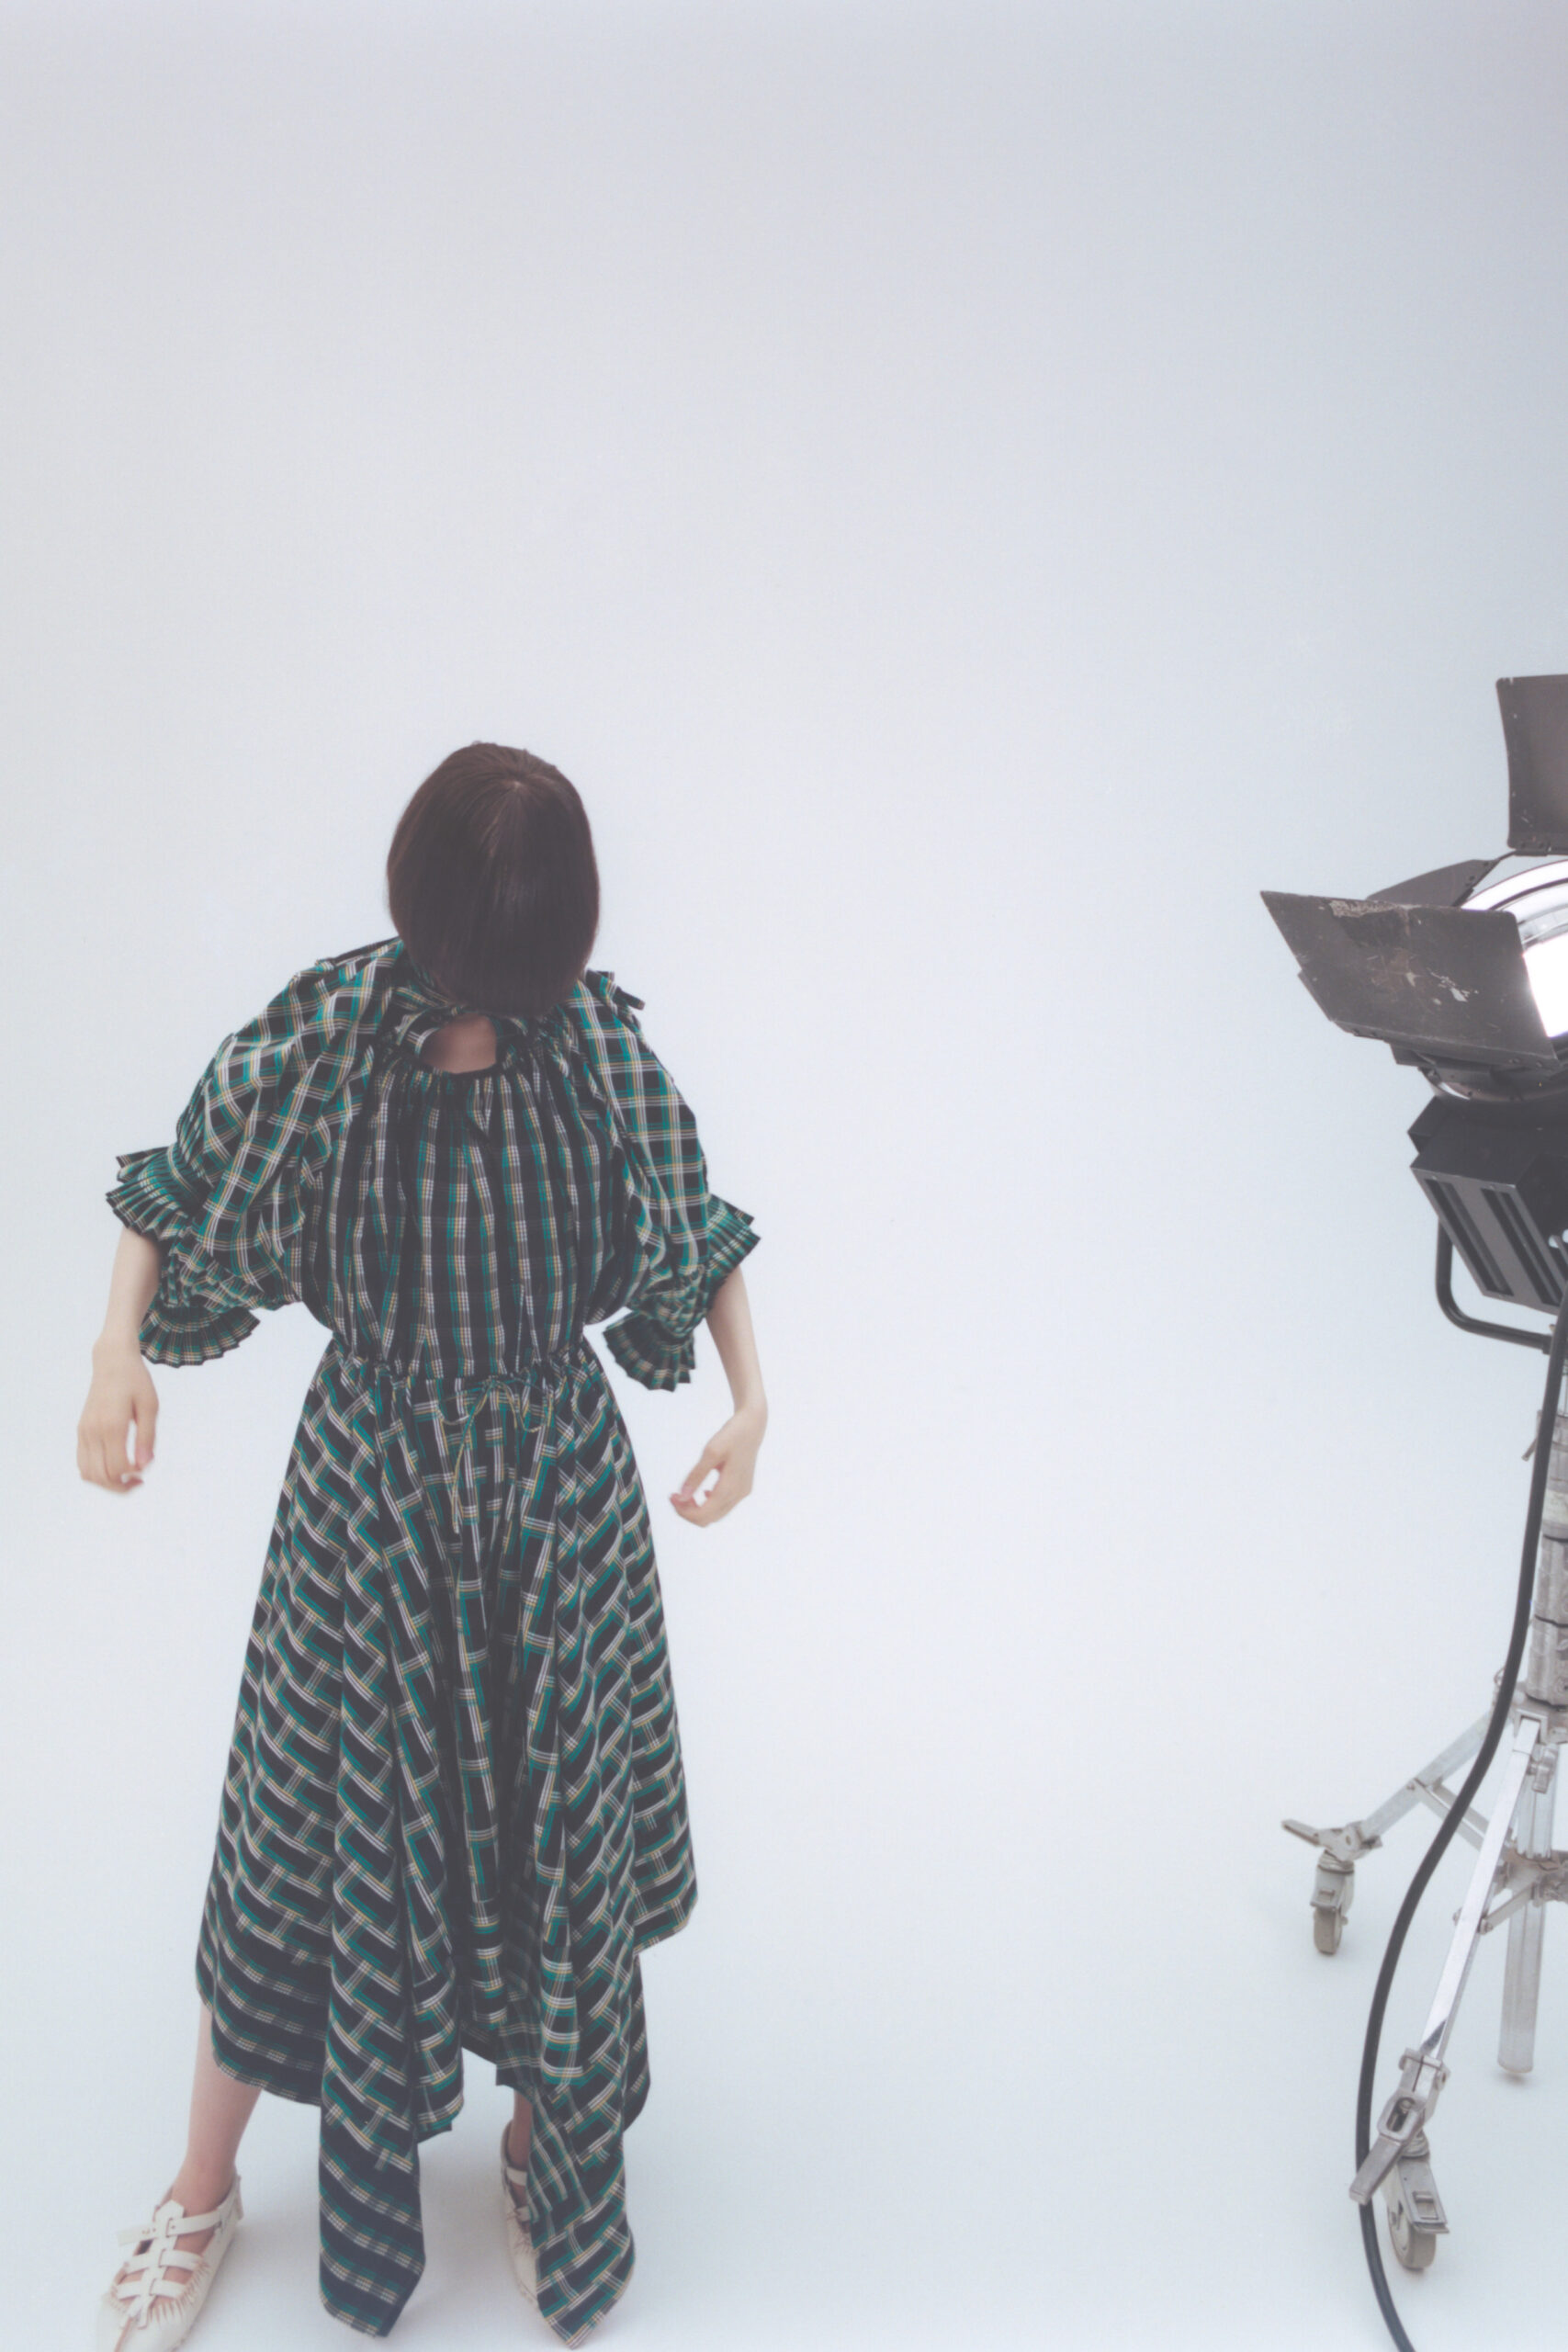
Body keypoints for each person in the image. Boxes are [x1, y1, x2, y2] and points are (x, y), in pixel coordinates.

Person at [78, 742, 766, 2352]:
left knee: (550, 1832)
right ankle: (201, 2188)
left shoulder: (590, 1043)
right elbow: (174, 1194)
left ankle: (542, 2152)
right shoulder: (327, 1037)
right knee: (299, 1838)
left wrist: (755, 1400)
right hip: (368, 1501)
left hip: (555, 1503)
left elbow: (698, 1220)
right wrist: (114, 1353)